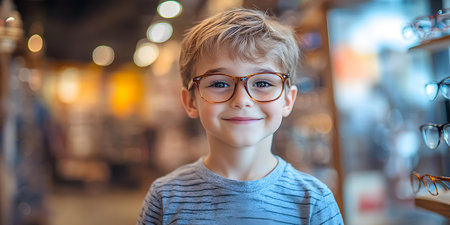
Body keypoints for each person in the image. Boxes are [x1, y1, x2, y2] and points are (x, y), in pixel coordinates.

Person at [137, 8, 343, 225]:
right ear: (190, 101)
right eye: (219, 83)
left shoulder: (314, 201)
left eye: (263, 83)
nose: (242, 100)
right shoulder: (165, 197)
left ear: (287, 100)